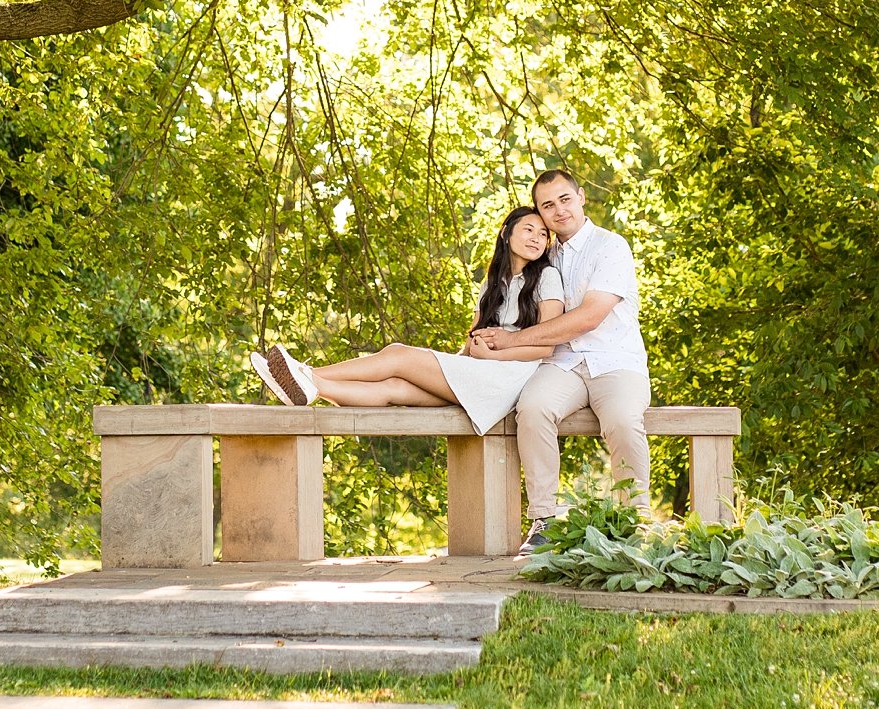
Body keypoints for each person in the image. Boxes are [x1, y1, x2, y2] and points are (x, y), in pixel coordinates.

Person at [250, 206, 564, 433]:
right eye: (528, 229)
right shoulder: (493, 282)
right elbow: (471, 345)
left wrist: (496, 353)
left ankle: (306, 374)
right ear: (506, 232)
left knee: (398, 354)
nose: (537, 238)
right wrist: (459, 359)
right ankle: (312, 390)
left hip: (510, 378)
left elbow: (545, 348)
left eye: (543, 234)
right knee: (394, 388)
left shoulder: (547, 277)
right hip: (478, 372)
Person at [474, 168, 651, 551]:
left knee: (622, 419)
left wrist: (510, 341)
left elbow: (589, 316)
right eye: (547, 205)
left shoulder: (610, 246)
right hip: (564, 363)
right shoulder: (543, 253)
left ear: (581, 197)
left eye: (564, 199)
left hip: (615, 362)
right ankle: (544, 520)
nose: (558, 211)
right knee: (534, 407)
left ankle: (635, 523)